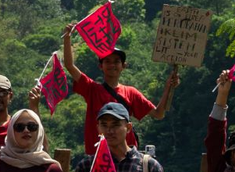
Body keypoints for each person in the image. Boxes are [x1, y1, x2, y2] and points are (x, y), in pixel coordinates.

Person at [61, 22, 178, 154]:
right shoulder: (92, 89)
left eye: (116, 61)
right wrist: (67, 38)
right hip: (100, 155)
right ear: (101, 66)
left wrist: (168, 87)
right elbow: (69, 66)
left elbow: (158, 114)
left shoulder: (131, 93)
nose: (112, 65)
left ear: (123, 66)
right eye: (107, 61)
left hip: (126, 156)